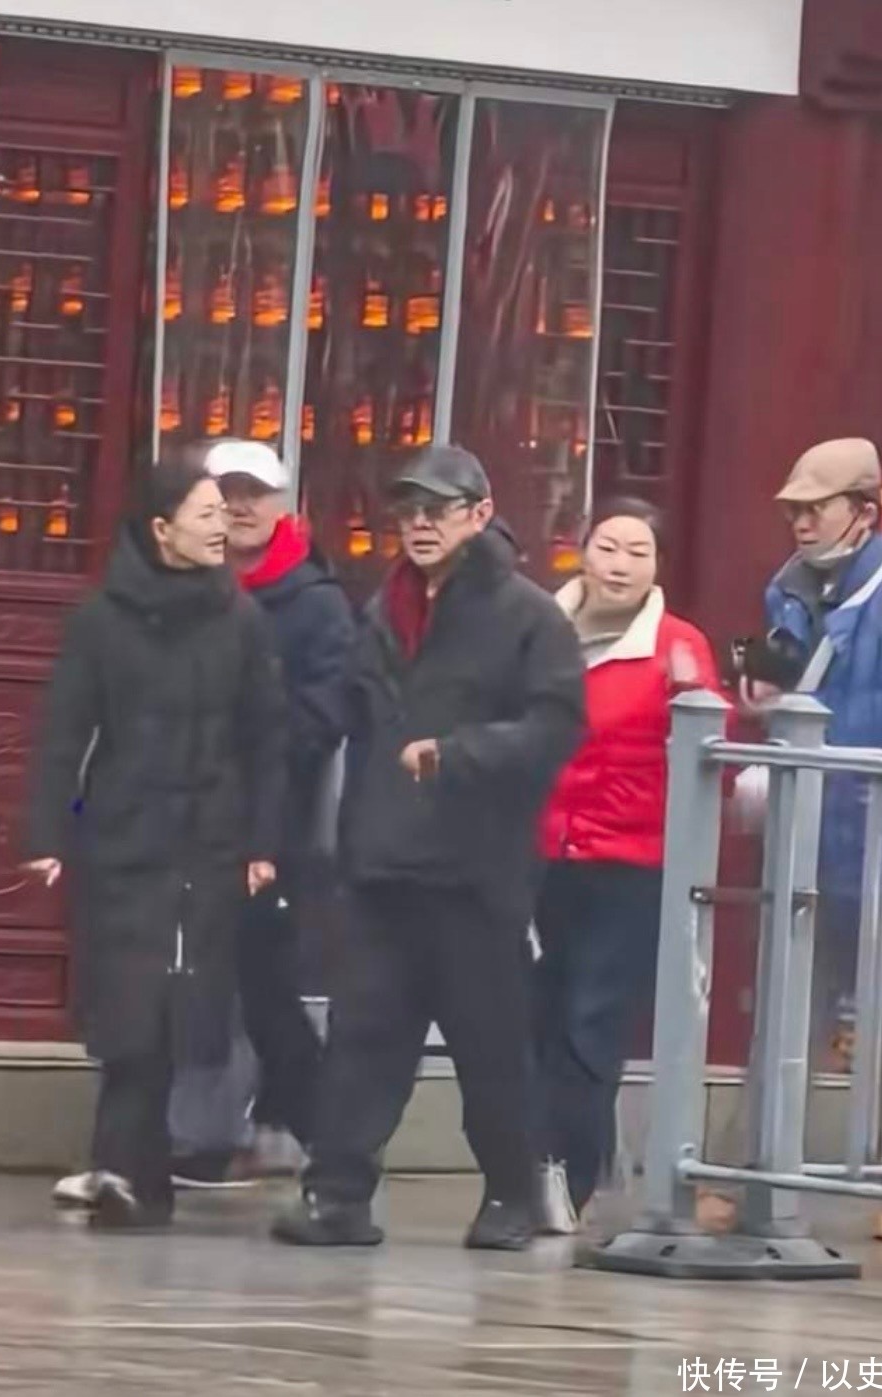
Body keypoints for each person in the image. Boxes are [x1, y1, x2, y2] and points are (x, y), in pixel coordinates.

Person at [271, 445, 586, 1252]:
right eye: (408, 510)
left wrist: (459, 754)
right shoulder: (386, 606)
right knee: (363, 1036)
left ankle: (511, 1194)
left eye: (437, 509)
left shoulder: (529, 616)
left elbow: (555, 727)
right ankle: (337, 1196)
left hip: (475, 868)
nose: (419, 524)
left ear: (480, 514)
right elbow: (344, 708)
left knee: (489, 1043)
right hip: (381, 861)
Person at [24, 455, 287, 1230]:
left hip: (209, 842)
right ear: (162, 528)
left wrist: (263, 841)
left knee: (177, 1005)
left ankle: (134, 1176)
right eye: (206, 512)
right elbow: (64, 732)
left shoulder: (241, 619)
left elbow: (267, 739)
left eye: (223, 512)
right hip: (124, 838)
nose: (222, 525)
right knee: (128, 1004)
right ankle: (124, 1170)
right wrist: (46, 830)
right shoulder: (101, 619)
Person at [743, 438, 882, 1244]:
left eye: (817, 507)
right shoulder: (789, 591)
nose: (802, 522)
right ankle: (744, 1171)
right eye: (794, 510)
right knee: (782, 1012)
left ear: (863, 511)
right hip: (809, 838)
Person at [535, 498, 720, 1232]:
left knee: (592, 1017)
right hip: (541, 854)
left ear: (658, 566)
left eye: (638, 552)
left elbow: (710, 751)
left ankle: (570, 1176)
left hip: (631, 862)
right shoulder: (541, 629)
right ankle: (543, 1166)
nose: (619, 564)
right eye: (608, 546)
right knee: (537, 1014)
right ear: (582, 550)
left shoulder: (678, 646)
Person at [207, 439, 356, 1169]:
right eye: (227, 493)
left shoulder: (316, 603)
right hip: (181, 813)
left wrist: (249, 750)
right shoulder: (175, 584)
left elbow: (326, 711)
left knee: (262, 979)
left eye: (255, 494)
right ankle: (196, 1131)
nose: (241, 508)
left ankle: (318, 1126)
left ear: (283, 507)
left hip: (276, 824)